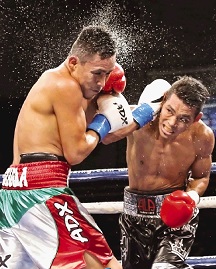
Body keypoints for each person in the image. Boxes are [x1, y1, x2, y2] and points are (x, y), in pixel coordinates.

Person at [0, 25, 139, 269]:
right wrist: (103, 122)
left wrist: (133, 113)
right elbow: (75, 152)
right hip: (42, 193)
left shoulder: (52, 80)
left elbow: (89, 132)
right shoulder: (67, 87)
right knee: (104, 265)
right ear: (74, 62)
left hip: (14, 193)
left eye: (107, 74)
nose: (102, 82)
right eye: (97, 73)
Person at [103, 75, 215, 269]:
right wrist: (106, 95)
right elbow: (104, 135)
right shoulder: (136, 120)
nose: (172, 123)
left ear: (196, 118)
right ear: (163, 101)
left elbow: (201, 176)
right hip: (134, 217)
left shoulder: (202, 135)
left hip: (175, 220)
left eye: (183, 119)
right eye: (169, 111)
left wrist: (191, 198)